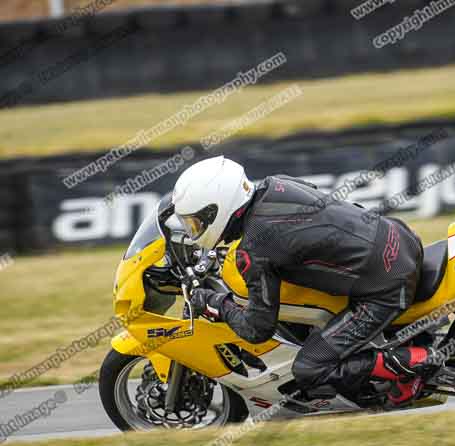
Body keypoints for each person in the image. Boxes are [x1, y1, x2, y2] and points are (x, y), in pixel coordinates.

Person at [172, 156, 440, 406]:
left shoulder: (254, 250)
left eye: (196, 223)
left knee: (310, 368)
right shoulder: (277, 184)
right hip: (398, 235)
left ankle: (414, 361)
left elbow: (257, 329)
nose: (194, 230)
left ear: (217, 209)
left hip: (387, 285)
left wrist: (216, 304)